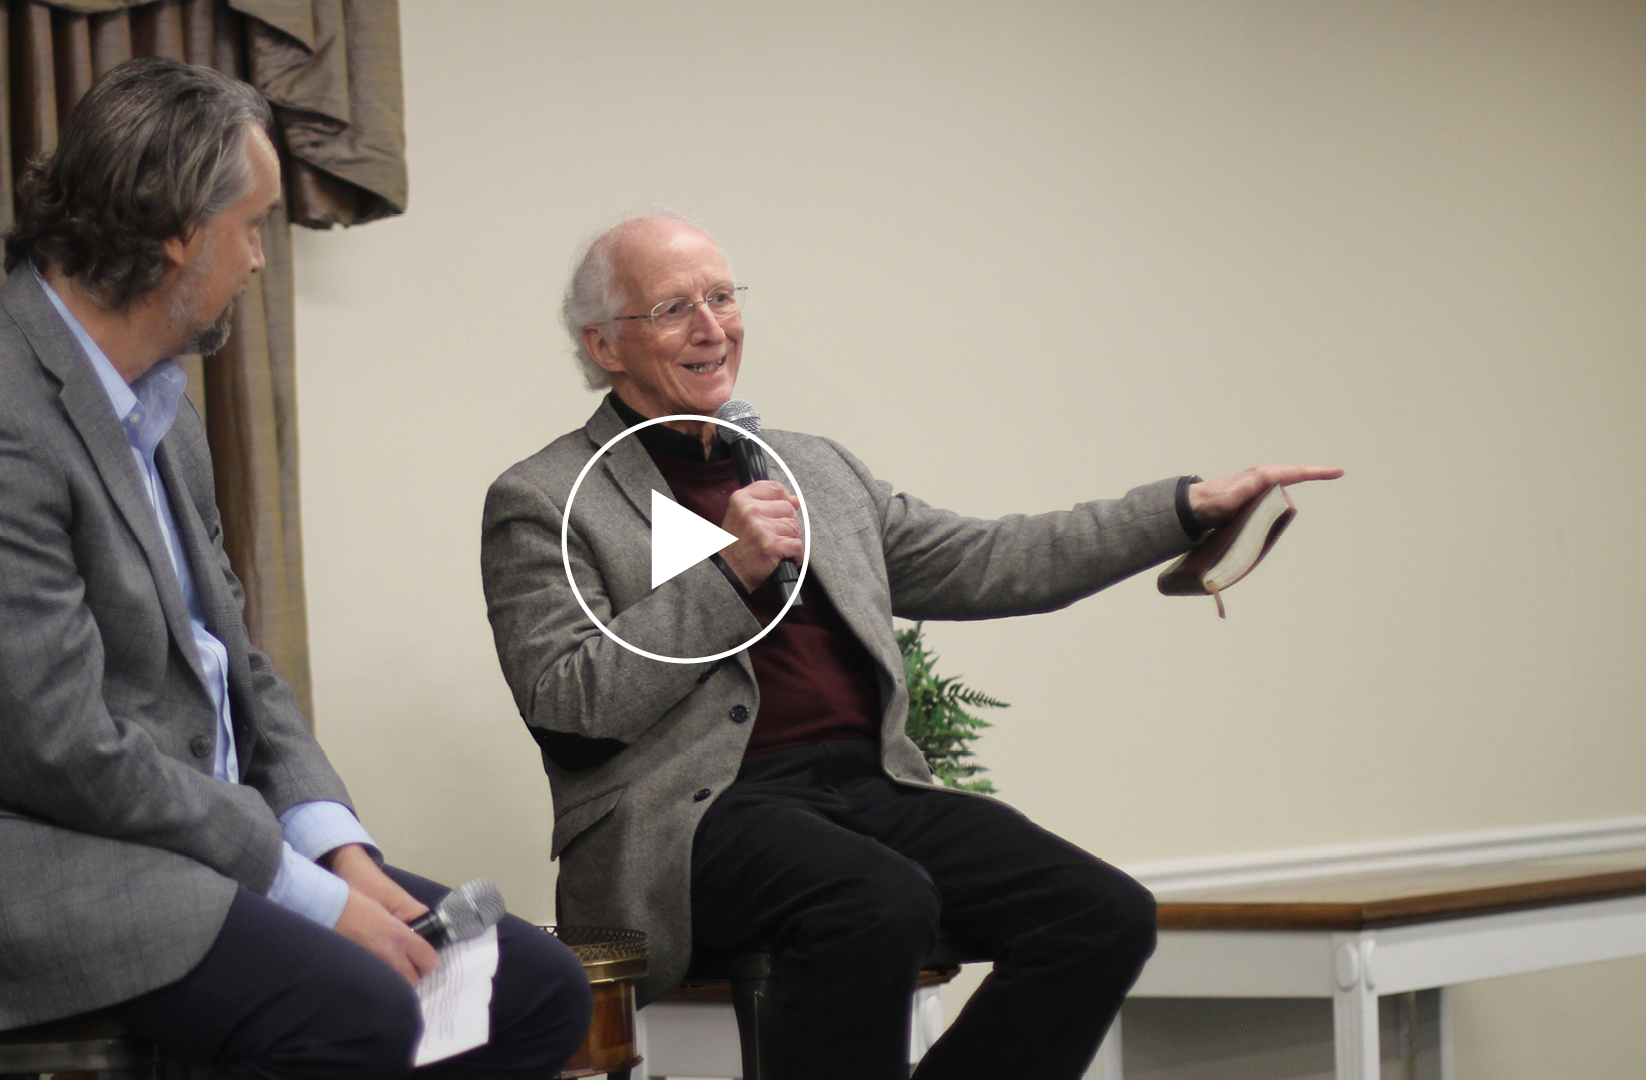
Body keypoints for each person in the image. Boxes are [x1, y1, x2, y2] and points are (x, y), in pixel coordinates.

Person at [0, 58, 589, 1080]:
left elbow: (238, 667)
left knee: (533, 986)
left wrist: (339, 853)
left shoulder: (159, 407)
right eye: (252, 225)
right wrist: (307, 895)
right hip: (13, 866)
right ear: (177, 230)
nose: (260, 259)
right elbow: (52, 747)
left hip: (170, 844)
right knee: (355, 1009)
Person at [480, 212, 1341, 1080]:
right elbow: (569, 706)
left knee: (1101, 914)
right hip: (700, 817)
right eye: (673, 308)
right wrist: (729, 573)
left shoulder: (814, 470)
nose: (713, 328)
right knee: (875, 899)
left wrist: (1184, 508)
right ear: (605, 344)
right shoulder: (547, 498)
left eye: (722, 297)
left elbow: (994, 560)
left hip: (865, 785)